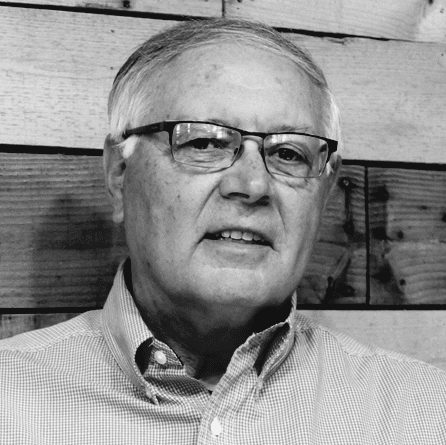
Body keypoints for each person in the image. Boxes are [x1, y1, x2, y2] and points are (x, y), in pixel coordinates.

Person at [1, 18, 445, 444]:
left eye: (289, 153)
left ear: (325, 191)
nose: (252, 186)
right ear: (119, 173)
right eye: (204, 142)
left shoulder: (426, 412)